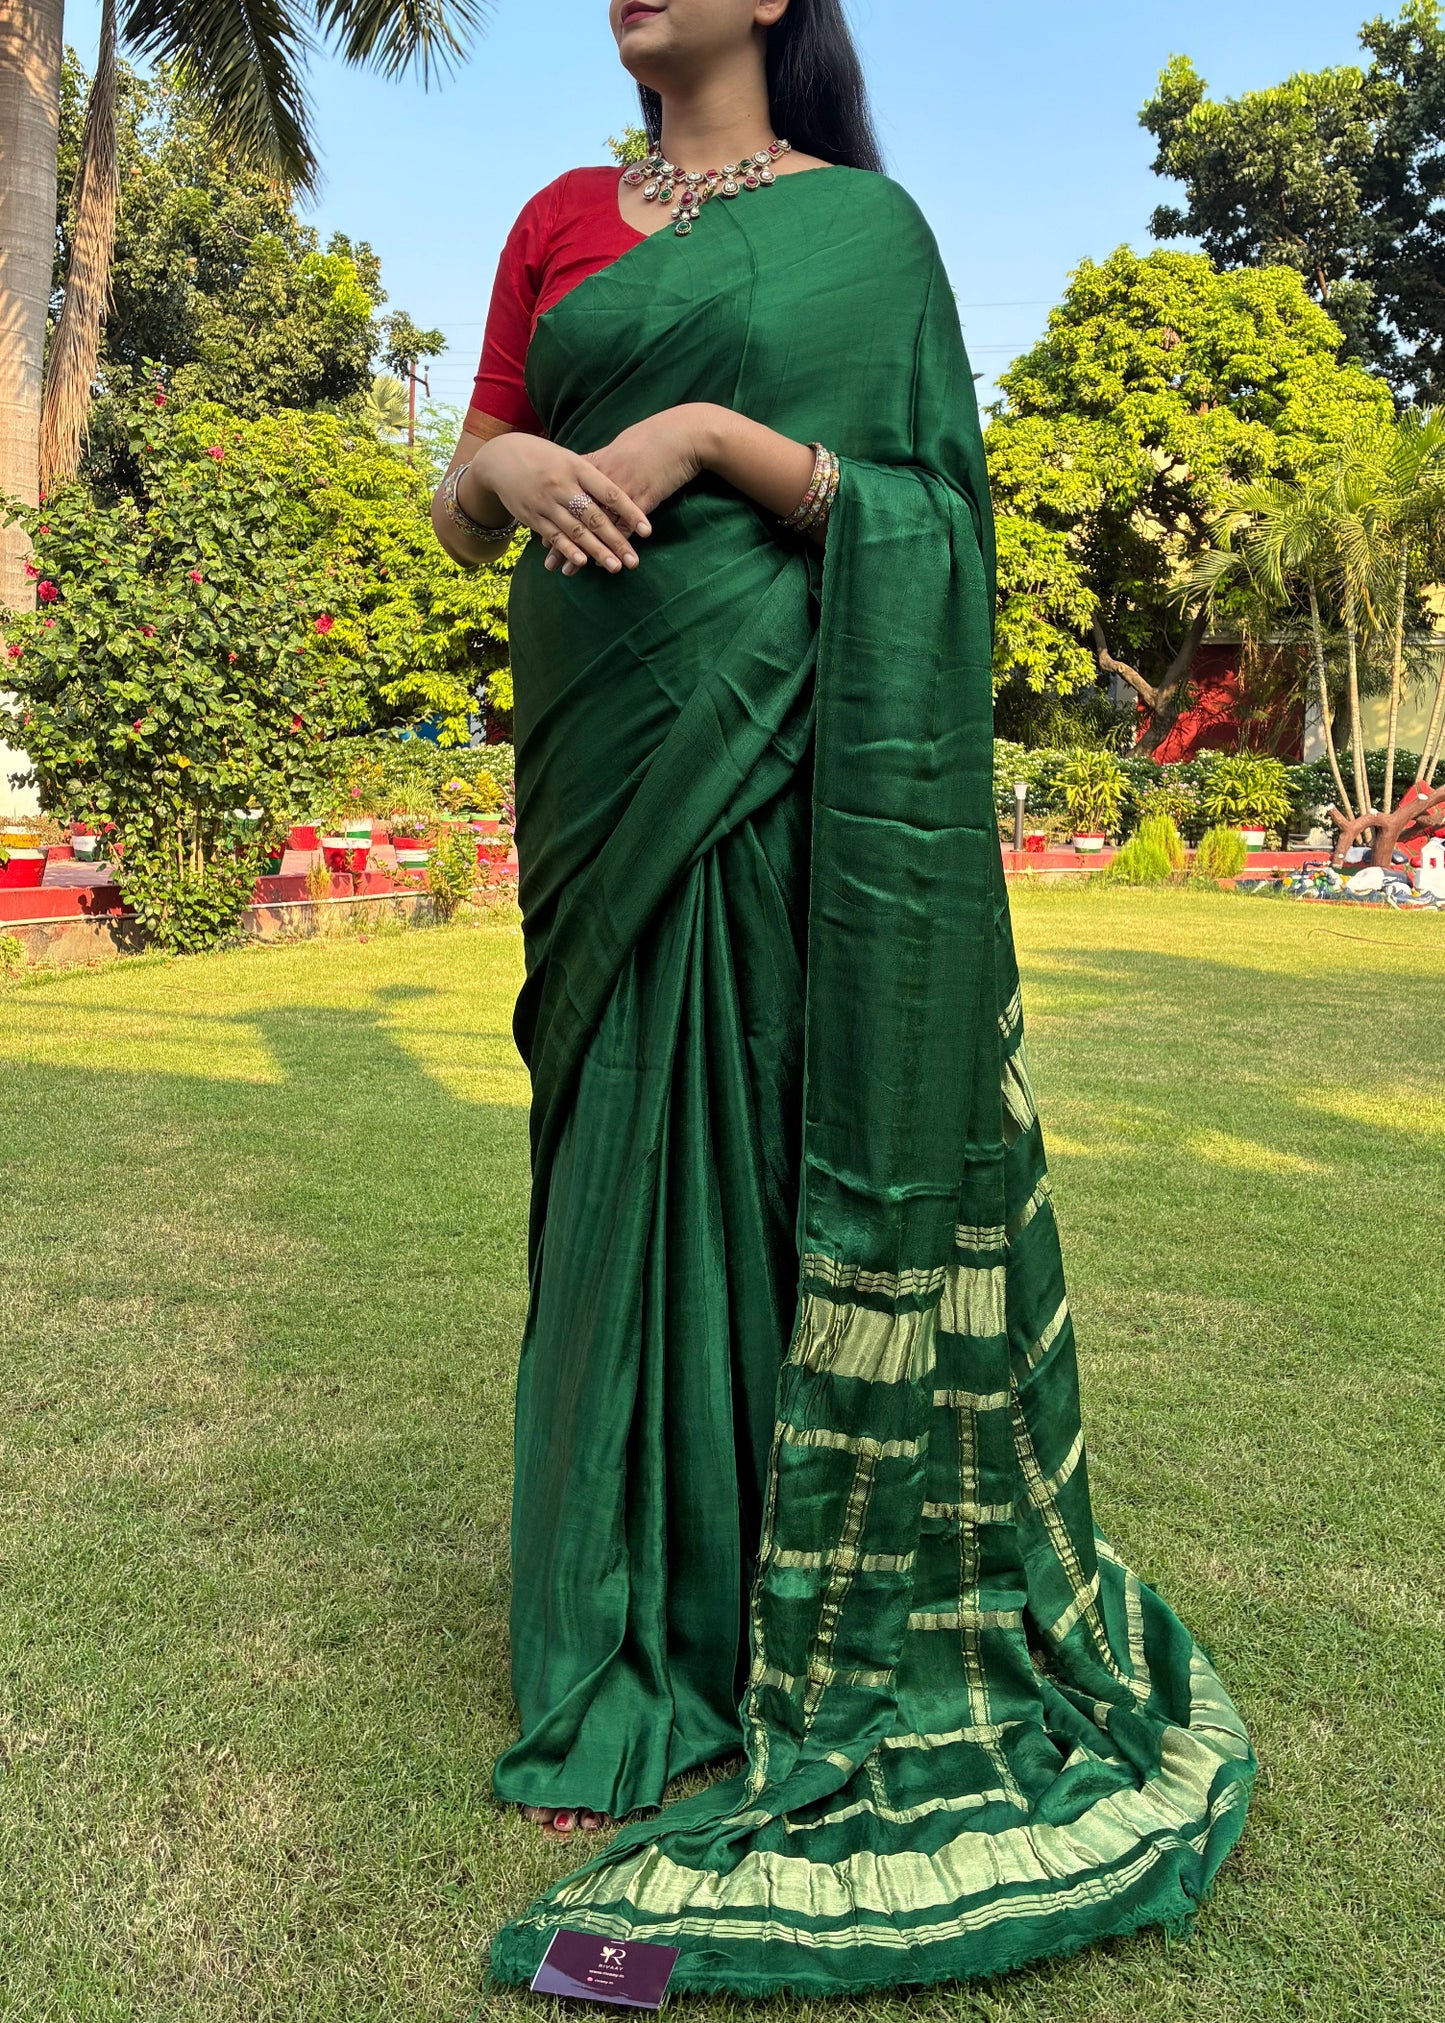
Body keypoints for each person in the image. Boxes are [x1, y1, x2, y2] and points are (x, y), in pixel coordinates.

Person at [434, 0, 1256, 1999]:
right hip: (612, 767)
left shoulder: (867, 243)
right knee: (622, 1163)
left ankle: (774, 1634)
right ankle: (612, 1650)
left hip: (794, 773)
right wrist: (520, 459)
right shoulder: (554, 218)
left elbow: (936, 525)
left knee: (776, 1169)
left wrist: (711, 440)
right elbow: (462, 494)